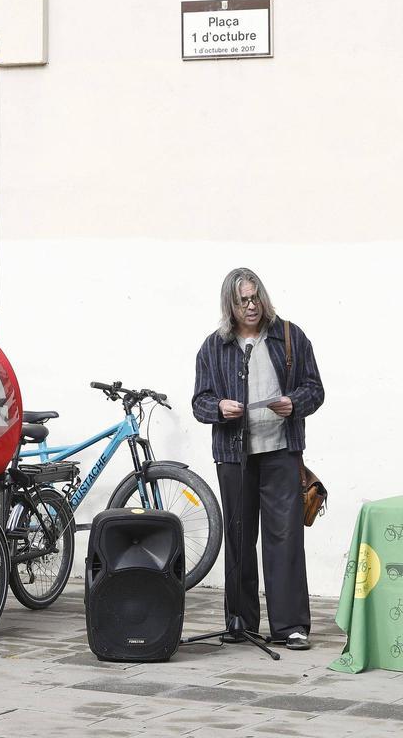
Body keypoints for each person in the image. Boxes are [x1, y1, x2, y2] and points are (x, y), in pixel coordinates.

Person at [192, 267, 324, 651]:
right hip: (234, 457)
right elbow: (199, 402)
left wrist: (293, 403)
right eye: (242, 301)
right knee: (238, 537)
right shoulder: (214, 347)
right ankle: (240, 622)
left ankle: (291, 627)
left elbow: (315, 389)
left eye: (255, 298)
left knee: (285, 540)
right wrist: (219, 408)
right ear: (230, 306)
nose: (251, 306)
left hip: (282, 452)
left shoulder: (289, 336)